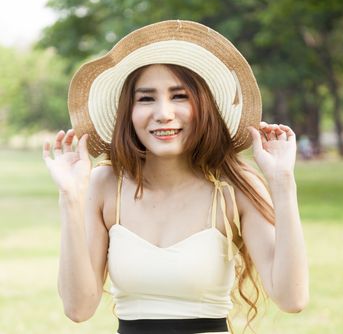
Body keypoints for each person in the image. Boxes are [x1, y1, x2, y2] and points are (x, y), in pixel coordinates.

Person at [42, 20, 309, 334]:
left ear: (204, 106)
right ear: (128, 111)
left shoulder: (233, 188)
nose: (164, 113)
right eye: (146, 98)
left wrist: (282, 183)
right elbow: (78, 308)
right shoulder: (105, 186)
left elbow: (292, 298)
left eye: (179, 96)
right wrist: (70, 198)